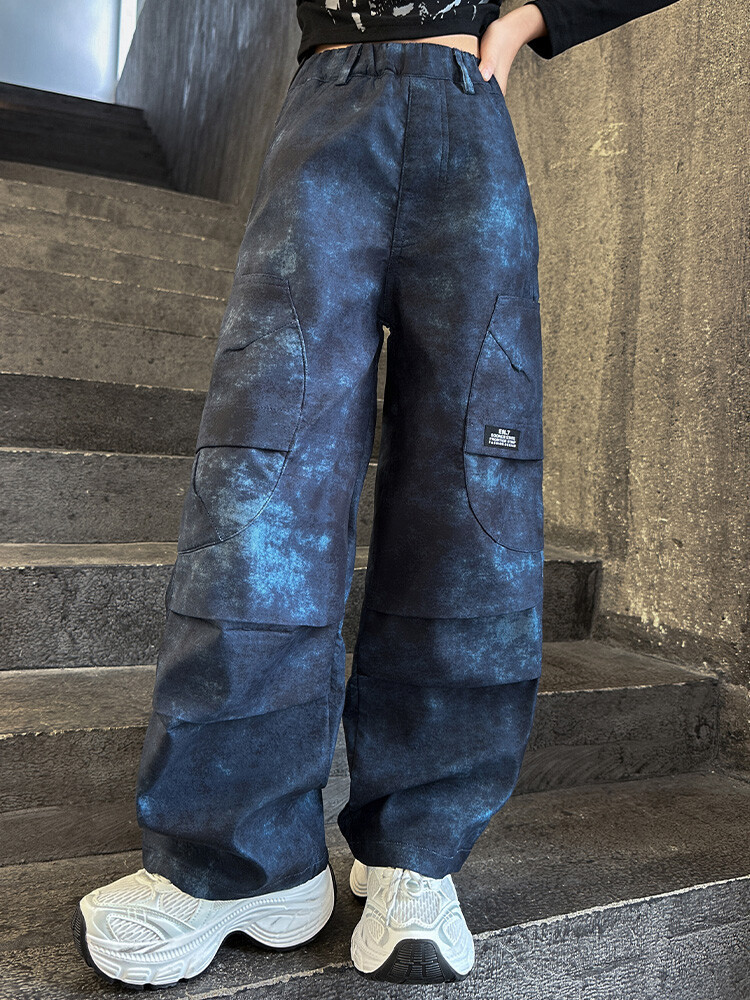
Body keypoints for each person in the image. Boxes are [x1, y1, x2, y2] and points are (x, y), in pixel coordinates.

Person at [72, 0, 682, 988]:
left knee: (473, 490)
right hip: (327, 103)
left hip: (466, 110)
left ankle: (416, 854)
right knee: (261, 483)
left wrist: (530, 19)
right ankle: (239, 863)